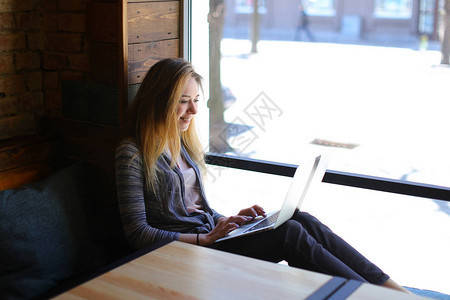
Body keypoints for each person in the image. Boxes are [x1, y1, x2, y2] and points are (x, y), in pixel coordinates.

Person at [115, 58, 409, 293]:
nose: (193, 110)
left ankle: (392, 289)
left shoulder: (181, 143)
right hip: (186, 255)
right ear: (160, 101)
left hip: (209, 239)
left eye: (195, 100)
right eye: (183, 101)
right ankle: (372, 297)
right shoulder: (132, 153)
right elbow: (137, 234)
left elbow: (196, 209)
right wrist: (204, 239)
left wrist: (227, 220)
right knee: (288, 233)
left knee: (299, 217)